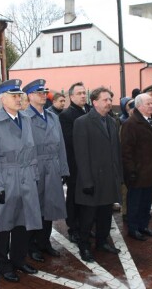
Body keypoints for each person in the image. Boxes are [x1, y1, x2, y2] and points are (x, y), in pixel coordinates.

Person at [0, 79, 41, 283]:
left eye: (19, 95)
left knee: (23, 223)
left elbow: (32, 151)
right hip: (6, 178)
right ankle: (3, 263)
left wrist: (34, 175)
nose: (19, 99)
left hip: (26, 177)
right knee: (5, 225)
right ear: (2, 98)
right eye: (14, 96)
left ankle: (18, 259)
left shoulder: (25, 118)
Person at [73, 87, 122, 263]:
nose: (109, 103)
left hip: (108, 178)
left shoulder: (111, 121)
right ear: (94, 102)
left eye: (110, 99)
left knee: (105, 214)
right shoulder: (82, 122)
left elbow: (116, 151)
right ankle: (84, 246)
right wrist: (86, 181)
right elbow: (81, 154)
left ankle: (101, 242)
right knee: (87, 217)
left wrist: (118, 176)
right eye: (105, 100)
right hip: (91, 180)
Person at [22, 79, 69, 263]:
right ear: (30, 96)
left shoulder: (53, 116)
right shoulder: (24, 118)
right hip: (35, 167)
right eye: (39, 92)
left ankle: (44, 242)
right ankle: (31, 245)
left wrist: (63, 169)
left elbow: (61, 145)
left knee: (49, 207)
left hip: (52, 166)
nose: (44, 95)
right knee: (34, 209)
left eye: (44, 92)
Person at [121, 93, 152, 241]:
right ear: (139, 106)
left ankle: (144, 225)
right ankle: (133, 229)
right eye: (148, 103)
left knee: (147, 201)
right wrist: (131, 171)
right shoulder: (131, 123)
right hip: (138, 172)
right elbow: (126, 151)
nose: (151, 105)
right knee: (135, 202)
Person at [59, 82, 91, 244]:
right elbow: (70, 140)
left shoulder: (90, 111)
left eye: (84, 93)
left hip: (91, 163)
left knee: (88, 196)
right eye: (79, 93)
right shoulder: (66, 115)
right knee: (74, 197)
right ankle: (73, 227)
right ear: (71, 97)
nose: (83, 96)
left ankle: (87, 225)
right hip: (75, 164)